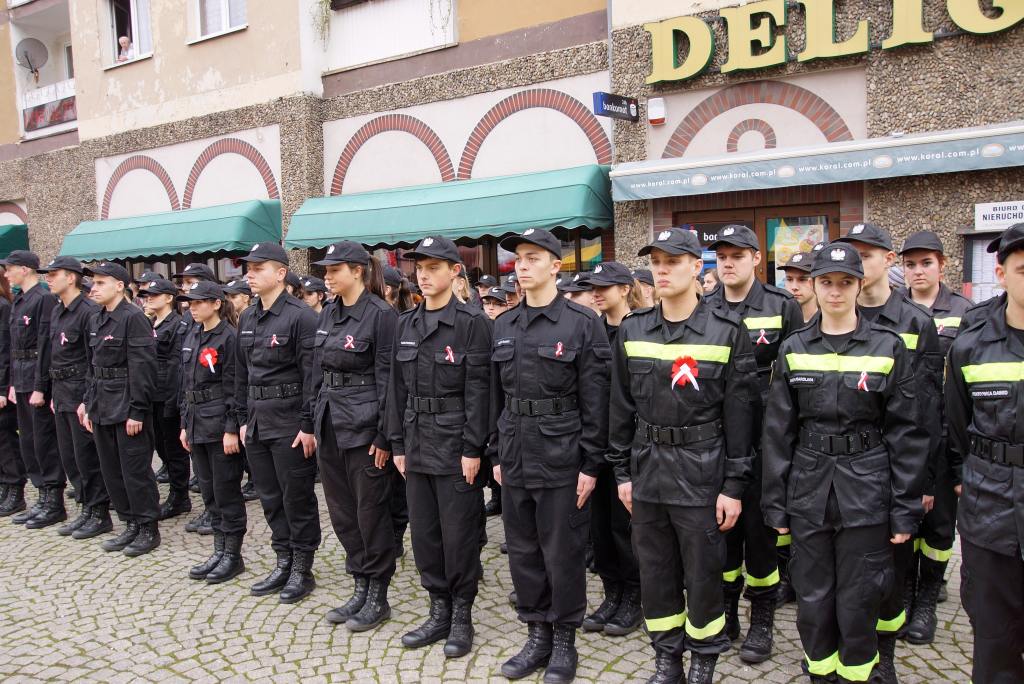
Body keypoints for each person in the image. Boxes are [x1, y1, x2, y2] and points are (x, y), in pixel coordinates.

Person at [763, 244, 928, 684]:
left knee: (860, 595)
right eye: (826, 283)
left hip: (867, 487)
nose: (835, 293)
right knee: (814, 597)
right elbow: (778, 432)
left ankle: (858, 674)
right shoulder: (793, 348)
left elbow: (907, 433)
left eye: (845, 283)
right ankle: (820, 672)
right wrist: (775, 505)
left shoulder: (887, 346)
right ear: (814, 287)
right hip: (808, 487)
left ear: (860, 285)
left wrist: (904, 507)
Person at [607, 227, 757, 684]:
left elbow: (740, 418)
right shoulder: (633, 329)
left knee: (704, 574)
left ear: (697, 267)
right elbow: (621, 407)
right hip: (648, 469)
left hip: (702, 469)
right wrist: (621, 473)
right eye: (656, 261)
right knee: (655, 573)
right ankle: (667, 660)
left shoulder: (727, 332)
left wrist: (734, 486)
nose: (662, 269)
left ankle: (703, 663)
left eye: (673, 261)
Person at [490, 228, 609, 683]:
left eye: (533, 257)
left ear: (555, 266)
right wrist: (496, 452)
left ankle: (564, 640)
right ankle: (536, 632)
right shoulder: (503, 324)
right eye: (519, 258)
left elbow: (596, 398)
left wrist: (591, 464)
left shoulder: (581, 323)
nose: (522, 266)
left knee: (562, 551)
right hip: (516, 452)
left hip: (562, 454)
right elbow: (497, 399)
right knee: (522, 550)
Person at [834, 224, 943, 675]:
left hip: (893, 470)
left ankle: (885, 660)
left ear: (887, 260)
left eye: (868, 253)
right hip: (840, 471)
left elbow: (927, 411)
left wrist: (925, 480)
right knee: (844, 574)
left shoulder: (916, 322)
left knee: (890, 572)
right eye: (851, 254)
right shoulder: (833, 317)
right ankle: (847, 652)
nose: (860, 261)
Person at [385, 235, 492, 657]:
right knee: (426, 535)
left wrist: (473, 449)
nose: (424, 275)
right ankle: (438, 609)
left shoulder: (472, 324)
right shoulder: (405, 324)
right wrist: (396, 443)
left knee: (459, 535)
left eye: (434, 268)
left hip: (455, 447)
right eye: (420, 268)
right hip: (415, 441)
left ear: (454, 272)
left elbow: (480, 391)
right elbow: (396, 390)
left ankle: (462, 615)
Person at [702, 225, 804, 663]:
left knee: (760, 534)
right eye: (721, 256)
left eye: (737, 255)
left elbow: (796, 378)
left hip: (766, 432)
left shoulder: (782, 306)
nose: (727, 263)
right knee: (721, 529)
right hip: (717, 431)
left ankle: (762, 617)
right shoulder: (705, 308)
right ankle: (726, 610)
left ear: (756, 259)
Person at [945, 223, 1024, 684]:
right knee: (994, 640)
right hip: (989, 508)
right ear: (1002, 274)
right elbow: (956, 426)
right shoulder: (971, 348)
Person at [310, 241, 398, 631]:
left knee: (370, 513)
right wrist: (308, 420)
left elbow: (390, 379)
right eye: (325, 271)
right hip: (330, 422)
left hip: (365, 427)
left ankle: (378, 593)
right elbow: (317, 371)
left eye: (334, 270)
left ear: (358, 271)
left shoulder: (381, 315)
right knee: (343, 512)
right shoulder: (329, 312)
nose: (327, 277)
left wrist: (384, 435)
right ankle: (360, 585)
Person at [897, 230, 974, 644]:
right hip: (907, 434)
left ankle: (928, 596)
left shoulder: (964, 312)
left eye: (926, 263)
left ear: (942, 265)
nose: (918, 271)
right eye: (910, 264)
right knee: (906, 519)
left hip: (946, 435)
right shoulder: (896, 311)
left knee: (941, 526)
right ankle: (907, 593)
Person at [235, 242, 321, 603]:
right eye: (248, 268)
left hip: (289, 422)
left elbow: (312, 376)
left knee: (296, 497)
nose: (249, 274)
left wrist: (307, 425)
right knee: (269, 497)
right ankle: (283, 559)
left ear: (281, 273)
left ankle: (302, 567)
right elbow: (241, 373)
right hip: (257, 420)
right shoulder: (248, 316)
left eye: (258, 268)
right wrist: (241, 418)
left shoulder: (301, 316)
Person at [81, 261, 161, 556]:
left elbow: (143, 368)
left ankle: (147, 527)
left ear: (119, 285)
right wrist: (89, 404)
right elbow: (93, 366)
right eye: (93, 282)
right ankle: (129, 523)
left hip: (126, 404)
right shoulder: (97, 318)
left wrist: (137, 410)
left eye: (101, 282)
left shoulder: (133, 318)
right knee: (111, 470)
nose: (94, 288)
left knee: (135, 471)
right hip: (102, 403)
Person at [584, 261, 643, 638]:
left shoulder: (640, 329)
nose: (597, 292)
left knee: (627, 527)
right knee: (600, 526)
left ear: (624, 289)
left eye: (606, 286)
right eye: (594, 287)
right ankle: (611, 593)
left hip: (631, 443)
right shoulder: (591, 330)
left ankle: (634, 597)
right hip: (595, 441)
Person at [37, 256, 110, 539]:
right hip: (62, 390)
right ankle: (86, 508)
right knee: (71, 457)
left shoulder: (88, 311)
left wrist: (87, 399)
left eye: (54, 274)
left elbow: (94, 358)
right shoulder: (59, 310)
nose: (49, 279)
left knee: (87, 456)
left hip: (81, 390)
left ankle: (99, 511)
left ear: (71, 278)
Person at [178, 281, 246, 584]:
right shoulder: (192, 334)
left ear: (216, 303)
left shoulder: (228, 338)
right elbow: (187, 384)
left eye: (198, 302)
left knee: (226, 490)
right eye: (189, 303)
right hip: (196, 422)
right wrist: (183, 424)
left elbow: (234, 386)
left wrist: (232, 428)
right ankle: (219, 549)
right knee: (208, 491)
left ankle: (232, 554)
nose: (192, 307)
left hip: (219, 423)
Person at [2, 250, 67, 528]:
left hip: (37, 379)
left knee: (44, 441)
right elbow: (14, 348)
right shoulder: (20, 301)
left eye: (10, 269)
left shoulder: (42, 299)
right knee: (29, 441)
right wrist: (14, 383)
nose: (6, 274)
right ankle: (41, 497)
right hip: (22, 377)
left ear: (25, 269)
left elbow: (45, 345)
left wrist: (41, 386)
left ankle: (54, 501)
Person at [138, 278, 192, 521]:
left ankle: (179, 496)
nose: (149, 298)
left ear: (169, 298)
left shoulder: (177, 325)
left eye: (154, 294)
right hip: (152, 395)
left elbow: (176, 367)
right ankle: (175, 492)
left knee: (173, 450)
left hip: (168, 396)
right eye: (147, 294)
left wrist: (174, 401)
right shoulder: (151, 323)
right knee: (160, 447)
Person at [0, 268, 24, 517]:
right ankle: (5, 486)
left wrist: (3, 387)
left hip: (5, 381)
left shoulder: (3, 306)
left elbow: (5, 350)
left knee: (5, 438)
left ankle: (14, 487)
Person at [780, 252, 818, 324]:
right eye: (789, 279)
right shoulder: (779, 321)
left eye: (802, 279)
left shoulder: (827, 322)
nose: (794, 287)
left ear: (815, 282)